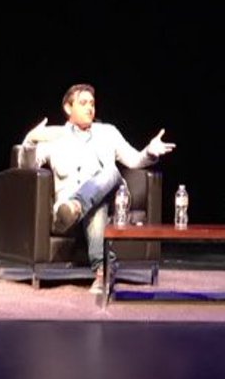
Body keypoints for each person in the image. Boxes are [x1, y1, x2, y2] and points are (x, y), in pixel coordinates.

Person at [21, 83, 176, 293]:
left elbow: (133, 160)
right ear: (68, 108)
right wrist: (30, 139)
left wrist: (150, 152)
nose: (90, 108)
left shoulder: (108, 132)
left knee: (110, 171)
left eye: (92, 104)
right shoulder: (54, 138)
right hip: (68, 211)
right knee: (95, 205)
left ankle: (77, 205)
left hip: (112, 197)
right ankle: (103, 272)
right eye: (83, 103)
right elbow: (26, 168)